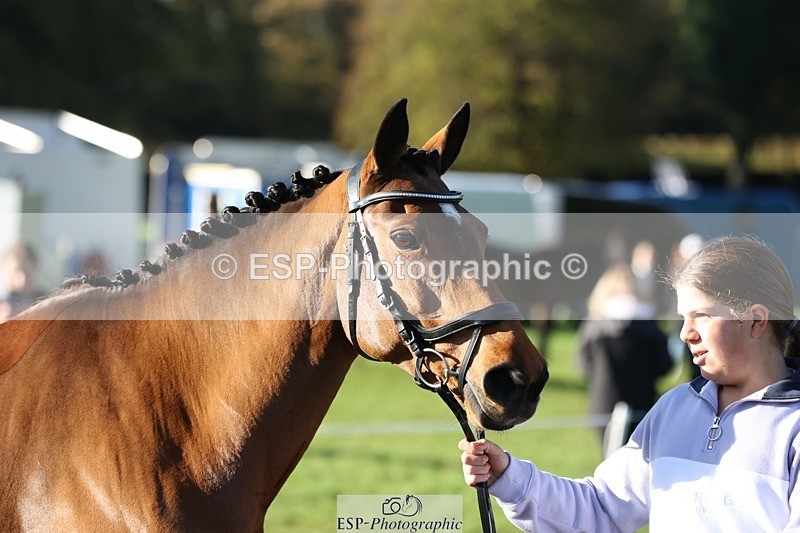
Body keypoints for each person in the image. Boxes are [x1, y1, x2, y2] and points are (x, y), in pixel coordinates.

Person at [460, 235, 800, 531]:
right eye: (683, 317)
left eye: (703, 315)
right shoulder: (674, 408)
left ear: (756, 320)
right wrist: (510, 477)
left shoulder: (793, 426)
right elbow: (602, 508)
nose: (686, 333)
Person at [577, 260, 672, 456]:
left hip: (603, 400)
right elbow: (665, 366)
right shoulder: (650, 327)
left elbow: (584, 363)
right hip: (643, 401)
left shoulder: (595, 326)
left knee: (608, 459)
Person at [0, 241, 46, 322]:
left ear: (35, 269)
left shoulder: (48, 302)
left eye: (27, 273)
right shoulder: (3, 308)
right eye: (15, 273)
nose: (22, 280)